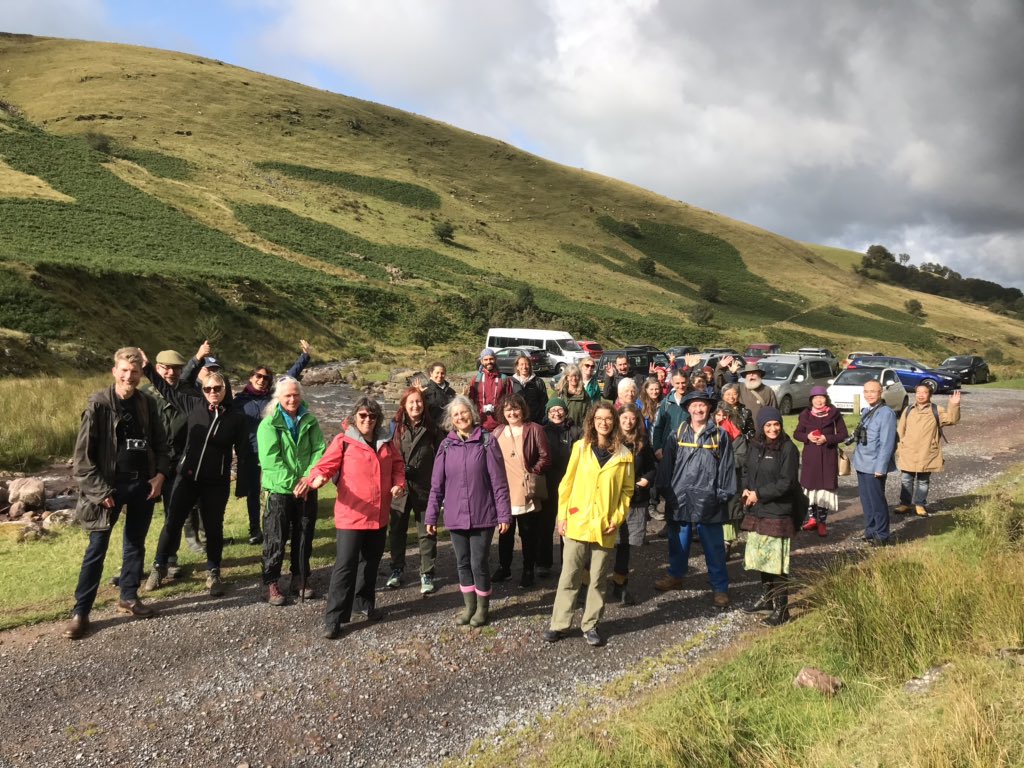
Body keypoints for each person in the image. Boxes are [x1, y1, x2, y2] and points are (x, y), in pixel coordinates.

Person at [65, 347, 170, 640]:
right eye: (124, 371)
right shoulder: (98, 405)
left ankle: (129, 596)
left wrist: (160, 476)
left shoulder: (147, 403)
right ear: (114, 372)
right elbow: (82, 460)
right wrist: (99, 492)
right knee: (96, 549)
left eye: (134, 372)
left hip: (143, 486)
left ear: (140, 374)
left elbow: (162, 445)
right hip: (108, 490)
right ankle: (81, 612)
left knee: (135, 544)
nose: (129, 376)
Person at [297, 397, 406, 639]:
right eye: (363, 416)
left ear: (378, 420)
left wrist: (399, 483)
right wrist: (315, 480)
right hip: (352, 515)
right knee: (345, 566)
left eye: (372, 416)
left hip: (378, 515)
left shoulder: (386, 443)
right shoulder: (344, 441)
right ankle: (334, 618)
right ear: (355, 417)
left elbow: (398, 466)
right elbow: (326, 466)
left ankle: (364, 605)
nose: (368, 420)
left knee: (370, 563)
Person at [144, 362, 248, 597]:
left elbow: (243, 453)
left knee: (213, 527)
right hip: (187, 477)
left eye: (217, 388)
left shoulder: (236, 418)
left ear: (226, 389)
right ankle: (159, 566)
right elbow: (166, 390)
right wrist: (148, 367)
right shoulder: (192, 405)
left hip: (216, 482)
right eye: (208, 389)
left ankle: (213, 571)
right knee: (172, 523)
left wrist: (244, 485)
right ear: (202, 390)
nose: (212, 392)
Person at [543, 404, 634, 647]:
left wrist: (616, 519)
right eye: (599, 418)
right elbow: (566, 484)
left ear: (614, 422)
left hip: (605, 525)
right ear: (591, 421)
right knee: (569, 575)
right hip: (577, 521)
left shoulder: (625, 455)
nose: (603, 423)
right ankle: (559, 624)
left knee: (597, 579)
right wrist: (562, 516)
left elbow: (627, 491)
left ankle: (591, 624)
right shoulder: (580, 448)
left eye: (608, 419)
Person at [426, 396, 512, 627]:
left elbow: (499, 482)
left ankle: (483, 609)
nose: (461, 417)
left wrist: (504, 514)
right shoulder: (445, 446)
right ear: (451, 420)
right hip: (455, 516)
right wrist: (431, 516)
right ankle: (469, 607)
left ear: (472, 414)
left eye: (464, 413)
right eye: (456, 415)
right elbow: (437, 485)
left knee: (478, 563)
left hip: (483, 514)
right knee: (462, 563)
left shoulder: (487, 442)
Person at [655, 390, 737, 607]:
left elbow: (727, 468)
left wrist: (721, 494)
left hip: (709, 499)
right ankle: (676, 575)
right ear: (688, 409)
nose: (699, 409)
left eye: (703, 405)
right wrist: (665, 490)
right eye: (694, 405)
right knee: (678, 542)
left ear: (709, 408)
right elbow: (667, 465)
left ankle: (720, 587)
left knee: (714, 547)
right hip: (680, 496)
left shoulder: (720, 436)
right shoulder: (677, 433)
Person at [233, 340, 312, 545]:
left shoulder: (272, 398)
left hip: (275, 452)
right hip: (250, 452)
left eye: (266, 378)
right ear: (251, 377)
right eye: (258, 376)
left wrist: (304, 356)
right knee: (252, 493)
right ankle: (254, 530)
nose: (262, 380)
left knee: (275, 491)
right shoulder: (239, 401)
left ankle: (280, 526)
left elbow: (290, 378)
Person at [256, 376, 326, 605]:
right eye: (287, 395)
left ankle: (300, 578)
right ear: (278, 397)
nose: (292, 399)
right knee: (275, 537)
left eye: (296, 395)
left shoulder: (310, 420)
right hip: (278, 490)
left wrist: (308, 479)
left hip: (307, 488)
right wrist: (295, 484)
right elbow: (270, 461)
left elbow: (319, 450)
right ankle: (270, 582)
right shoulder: (268, 425)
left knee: (304, 535)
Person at [140, 349, 204, 570]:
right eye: (166, 368)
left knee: (174, 513)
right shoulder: (144, 394)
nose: (171, 372)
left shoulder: (192, 395)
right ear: (157, 368)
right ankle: (135, 565)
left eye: (176, 368)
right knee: (140, 517)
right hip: (148, 464)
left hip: (178, 463)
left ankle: (170, 558)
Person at [740, 407, 800, 626]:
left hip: (778, 511)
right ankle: (767, 599)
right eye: (768, 425)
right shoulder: (755, 445)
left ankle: (782, 610)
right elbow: (746, 469)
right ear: (761, 427)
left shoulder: (788, 449)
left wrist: (759, 494)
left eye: (776, 424)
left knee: (777, 563)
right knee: (760, 558)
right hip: (757, 510)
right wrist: (746, 488)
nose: (773, 429)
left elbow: (787, 483)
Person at [386, 387, 442, 594]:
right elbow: (386, 456)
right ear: (403, 405)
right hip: (399, 489)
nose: (415, 405)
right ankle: (396, 569)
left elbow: (441, 458)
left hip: (425, 487)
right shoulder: (394, 428)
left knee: (427, 532)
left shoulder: (433, 428)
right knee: (397, 531)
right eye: (411, 402)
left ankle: (427, 572)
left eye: (419, 401)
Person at [492, 393, 551, 588]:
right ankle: (504, 567)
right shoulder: (498, 432)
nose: (512, 413)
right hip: (504, 490)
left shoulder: (534, 429)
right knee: (505, 532)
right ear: (502, 412)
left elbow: (545, 457)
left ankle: (528, 569)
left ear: (522, 409)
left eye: (515, 409)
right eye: (508, 409)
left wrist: (532, 471)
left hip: (525, 489)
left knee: (528, 533)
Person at [610, 404, 655, 605]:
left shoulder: (642, 443)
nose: (628, 422)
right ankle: (588, 586)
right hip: (610, 499)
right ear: (618, 420)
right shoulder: (609, 440)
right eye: (624, 418)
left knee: (624, 545)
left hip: (634, 500)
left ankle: (620, 585)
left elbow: (651, 468)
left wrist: (647, 480)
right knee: (603, 542)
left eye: (632, 419)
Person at [895, 386, 961, 516]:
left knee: (923, 480)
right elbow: (900, 430)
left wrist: (954, 404)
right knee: (906, 479)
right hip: (909, 451)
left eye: (924, 393)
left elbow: (953, 419)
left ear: (930, 395)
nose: (920, 395)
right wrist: (899, 447)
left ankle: (920, 504)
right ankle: (905, 504)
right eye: (918, 392)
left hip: (927, 452)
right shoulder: (908, 410)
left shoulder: (936, 410)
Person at [793, 386, 849, 536]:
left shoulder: (834, 414)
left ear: (826, 398)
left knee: (825, 490)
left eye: (821, 397)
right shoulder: (805, 415)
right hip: (811, 458)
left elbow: (843, 434)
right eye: (815, 397)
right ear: (811, 400)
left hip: (828, 456)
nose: (818, 400)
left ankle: (822, 522)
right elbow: (797, 434)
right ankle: (812, 519)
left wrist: (827, 438)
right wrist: (808, 437)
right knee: (810, 489)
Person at [537, 397, 582, 577]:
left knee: (569, 526)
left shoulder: (576, 431)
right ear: (547, 414)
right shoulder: (542, 432)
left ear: (565, 411)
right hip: (548, 484)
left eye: (559, 410)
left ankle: (568, 563)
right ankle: (543, 563)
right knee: (545, 524)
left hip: (571, 486)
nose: (556, 413)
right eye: (552, 411)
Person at [851, 380, 898, 546]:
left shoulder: (886, 413)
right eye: (866, 391)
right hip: (862, 463)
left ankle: (882, 534)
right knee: (866, 500)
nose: (869, 395)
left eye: (873, 391)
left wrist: (881, 467)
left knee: (877, 501)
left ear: (881, 392)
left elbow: (887, 443)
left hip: (874, 465)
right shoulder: (866, 411)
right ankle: (870, 531)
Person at [714, 385, 751, 559]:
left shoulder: (736, 435)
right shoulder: (708, 433)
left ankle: (727, 543)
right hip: (711, 480)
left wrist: (723, 464)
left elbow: (741, 456)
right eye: (718, 415)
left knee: (729, 512)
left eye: (724, 415)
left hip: (731, 479)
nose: (721, 418)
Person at [467, 348, 512, 432]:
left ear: (495, 359)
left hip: (500, 425)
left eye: (491, 359)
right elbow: (471, 402)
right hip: (480, 424)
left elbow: (510, 401)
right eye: (486, 359)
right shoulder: (476, 380)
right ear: (481, 361)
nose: (489, 362)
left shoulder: (504, 379)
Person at [510, 354, 549, 425]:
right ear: (517, 367)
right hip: (517, 422)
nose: (524, 367)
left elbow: (544, 403)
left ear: (530, 366)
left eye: (527, 364)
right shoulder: (511, 382)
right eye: (521, 364)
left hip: (535, 422)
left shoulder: (538, 382)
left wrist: (541, 419)